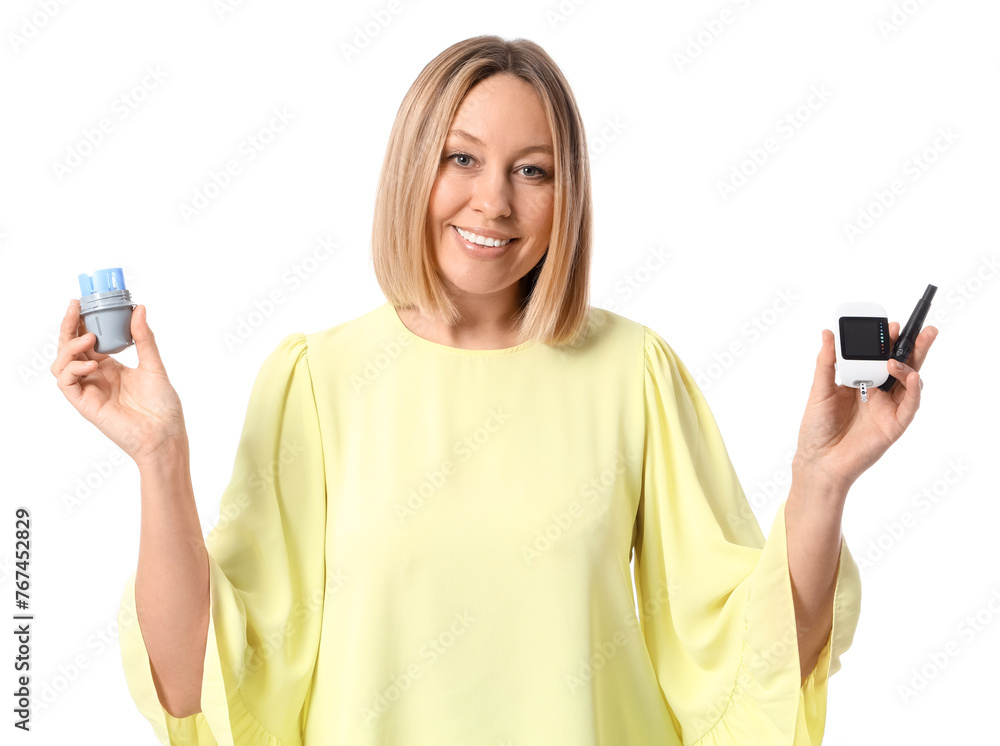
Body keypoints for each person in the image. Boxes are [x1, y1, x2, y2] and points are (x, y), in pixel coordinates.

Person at [52, 35, 936, 745]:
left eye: (533, 170)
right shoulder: (315, 382)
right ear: (411, 169)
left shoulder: (633, 373)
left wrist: (822, 482)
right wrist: (159, 459)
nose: (494, 204)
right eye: (461, 158)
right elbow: (201, 686)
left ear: (568, 195)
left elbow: (750, 661)